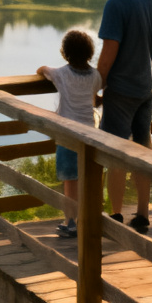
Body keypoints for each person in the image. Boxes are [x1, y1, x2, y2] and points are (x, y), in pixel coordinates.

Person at [96, 0, 152, 233]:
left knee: (115, 151)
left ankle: (115, 215)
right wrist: (149, 69)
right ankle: (142, 214)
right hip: (146, 88)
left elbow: (109, 51)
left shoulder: (117, 2)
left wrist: (97, 85)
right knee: (143, 148)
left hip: (122, 90)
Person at [38, 29, 103, 238]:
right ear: (90, 53)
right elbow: (94, 96)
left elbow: (42, 70)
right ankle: (87, 219)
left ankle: (70, 221)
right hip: (88, 133)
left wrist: (44, 68)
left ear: (65, 53)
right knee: (86, 178)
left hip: (67, 134)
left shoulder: (61, 74)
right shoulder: (95, 75)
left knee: (70, 180)